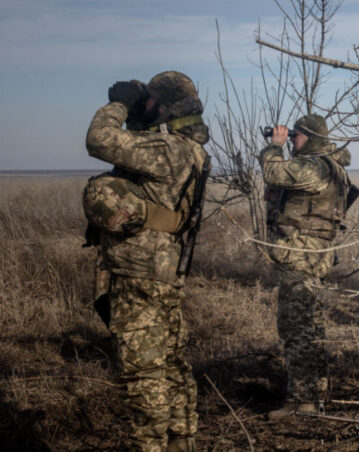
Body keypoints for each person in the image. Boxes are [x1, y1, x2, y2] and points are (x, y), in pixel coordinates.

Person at [83, 71, 210, 452]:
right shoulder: (187, 149)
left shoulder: (169, 150)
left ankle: (153, 447)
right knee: (171, 364)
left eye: (151, 100)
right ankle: (181, 442)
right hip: (162, 271)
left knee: (143, 374)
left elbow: (99, 139)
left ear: (166, 107)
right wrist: (143, 117)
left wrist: (120, 104)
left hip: (139, 273)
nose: (145, 106)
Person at [258, 114, 351, 416]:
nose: (292, 140)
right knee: (312, 328)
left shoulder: (317, 166)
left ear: (309, 137)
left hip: (302, 257)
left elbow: (273, 173)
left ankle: (301, 402)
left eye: (295, 136)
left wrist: (275, 146)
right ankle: (316, 394)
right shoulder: (330, 167)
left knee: (297, 330)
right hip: (313, 256)